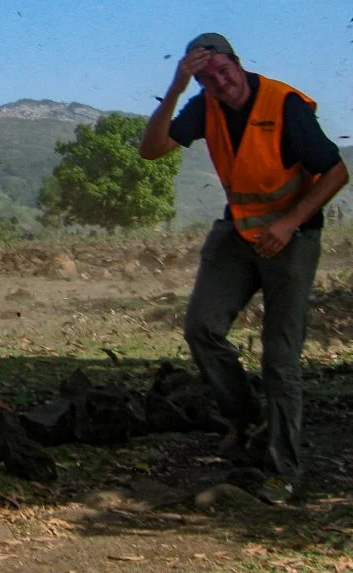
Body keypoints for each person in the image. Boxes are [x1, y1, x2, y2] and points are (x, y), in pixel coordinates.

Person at [139, 33, 348, 504]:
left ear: (238, 62)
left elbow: (336, 171)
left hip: (292, 236)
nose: (220, 82)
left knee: (280, 357)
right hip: (238, 232)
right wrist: (174, 90)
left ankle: (284, 470)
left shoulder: (284, 104)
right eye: (207, 78)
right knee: (201, 328)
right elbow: (150, 150)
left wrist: (291, 223)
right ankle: (248, 418)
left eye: (223, 70)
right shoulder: (202, 105)